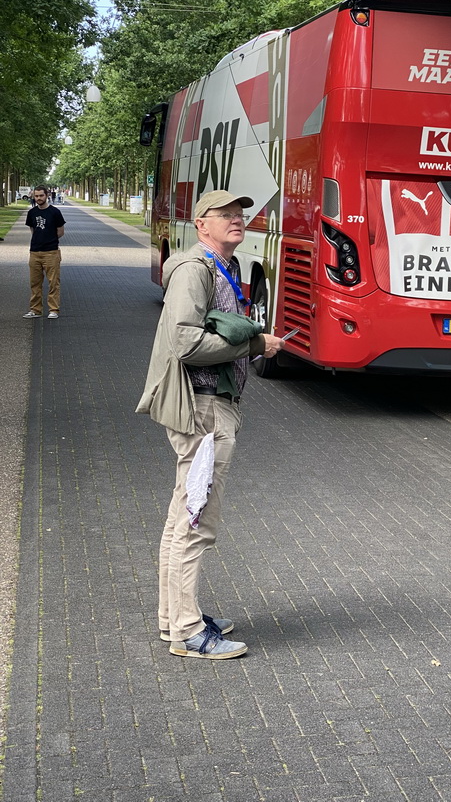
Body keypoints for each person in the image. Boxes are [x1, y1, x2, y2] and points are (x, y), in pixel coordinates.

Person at [136, 190, 284, 659]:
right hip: (202, 409)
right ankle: (186, 632)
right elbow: (184, 342)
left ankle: (174, 618)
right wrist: (254, 345)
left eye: (240, 214)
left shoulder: (226, 268)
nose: (237, 221)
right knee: (195, 521)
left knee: (183, 514)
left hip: (212, 405)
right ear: (202, 224)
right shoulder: (194, 270)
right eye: (225, 215)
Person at [23, 185, 66, 319]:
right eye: (36, 196)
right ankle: (35, 310)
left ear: (46, 195)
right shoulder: (32, 213)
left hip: (51, 252)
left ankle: (53, 309)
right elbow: (33, 230)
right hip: (35, 252)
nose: (39, 198)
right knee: (34, 283)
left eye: (41, 195)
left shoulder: (55, 212)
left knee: (53, 282)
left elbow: (60, 232)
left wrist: (49, 239)